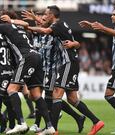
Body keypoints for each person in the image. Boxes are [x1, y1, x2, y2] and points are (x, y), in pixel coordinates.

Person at [0, 10, 56, 135]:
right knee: (35, 94)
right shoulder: (20, 26)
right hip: (37, 56)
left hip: (26, 57)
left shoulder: (2, 27)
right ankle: (50, 127)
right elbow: (25, 23)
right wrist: (12, 20)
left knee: (11, 89)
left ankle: (22, 124)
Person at [28, 5, 104, 135]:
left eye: (46, 14)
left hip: (67, 62)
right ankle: (97, 122)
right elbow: (75, 42)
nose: (44, 16)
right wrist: (36, 19)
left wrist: (26, 27)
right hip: (70, 62)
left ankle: (52, 130)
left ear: (52, 15)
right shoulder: (61, 25)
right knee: (72, 99)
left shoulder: (57, 25)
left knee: (56, 95)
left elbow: (45, 30)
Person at [23, 9, 86, 134]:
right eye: (42, 18)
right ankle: (76, 117)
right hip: (41, 70)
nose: (42, 19)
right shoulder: (36, 35)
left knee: (47, 97)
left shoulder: (53, 33)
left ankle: (43, 125)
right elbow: (42, 26)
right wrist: (35, 19)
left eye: (45, 16)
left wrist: (74, 43)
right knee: (38, 96)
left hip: (52, 69)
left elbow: (73, 41)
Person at [79, 5, 115, 134]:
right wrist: (92, 25)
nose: (111, 16)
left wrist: (102, 27)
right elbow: (109, 31)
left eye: (114, 14)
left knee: (108, 94)